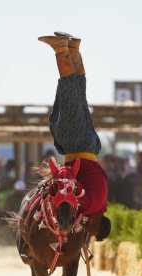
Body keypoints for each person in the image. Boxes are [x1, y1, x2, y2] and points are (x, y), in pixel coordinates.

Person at [38, 32, 110, 240]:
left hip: (90, 147)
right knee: (70, 97)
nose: (90, 233)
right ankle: (61, 49)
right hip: (76, 145)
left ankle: (74, 49)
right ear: (97, 225)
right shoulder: (90, 208)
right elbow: (72, 191)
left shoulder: (103, 204)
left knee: (79, 95)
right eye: (94, 233)